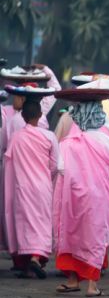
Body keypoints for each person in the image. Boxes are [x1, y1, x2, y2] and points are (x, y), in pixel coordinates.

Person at [54, 89, 109, 297]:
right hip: (99, 197)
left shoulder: (68, 143)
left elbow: (60, 170)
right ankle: (91, 285)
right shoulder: (106, 139)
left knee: (72, 235)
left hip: (72, 198)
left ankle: (73, 280)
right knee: (95, 235)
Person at [3, 99, 59, 278]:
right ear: (41, 115)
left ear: (23, 116)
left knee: (25, 224)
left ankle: (28, 263)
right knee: (41, 222)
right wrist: (46, 175)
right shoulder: (49, 136)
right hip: (42, 185)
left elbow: (8, 161)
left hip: (22, 187)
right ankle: (36, 258)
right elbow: (56, 164)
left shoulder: (16, 136)